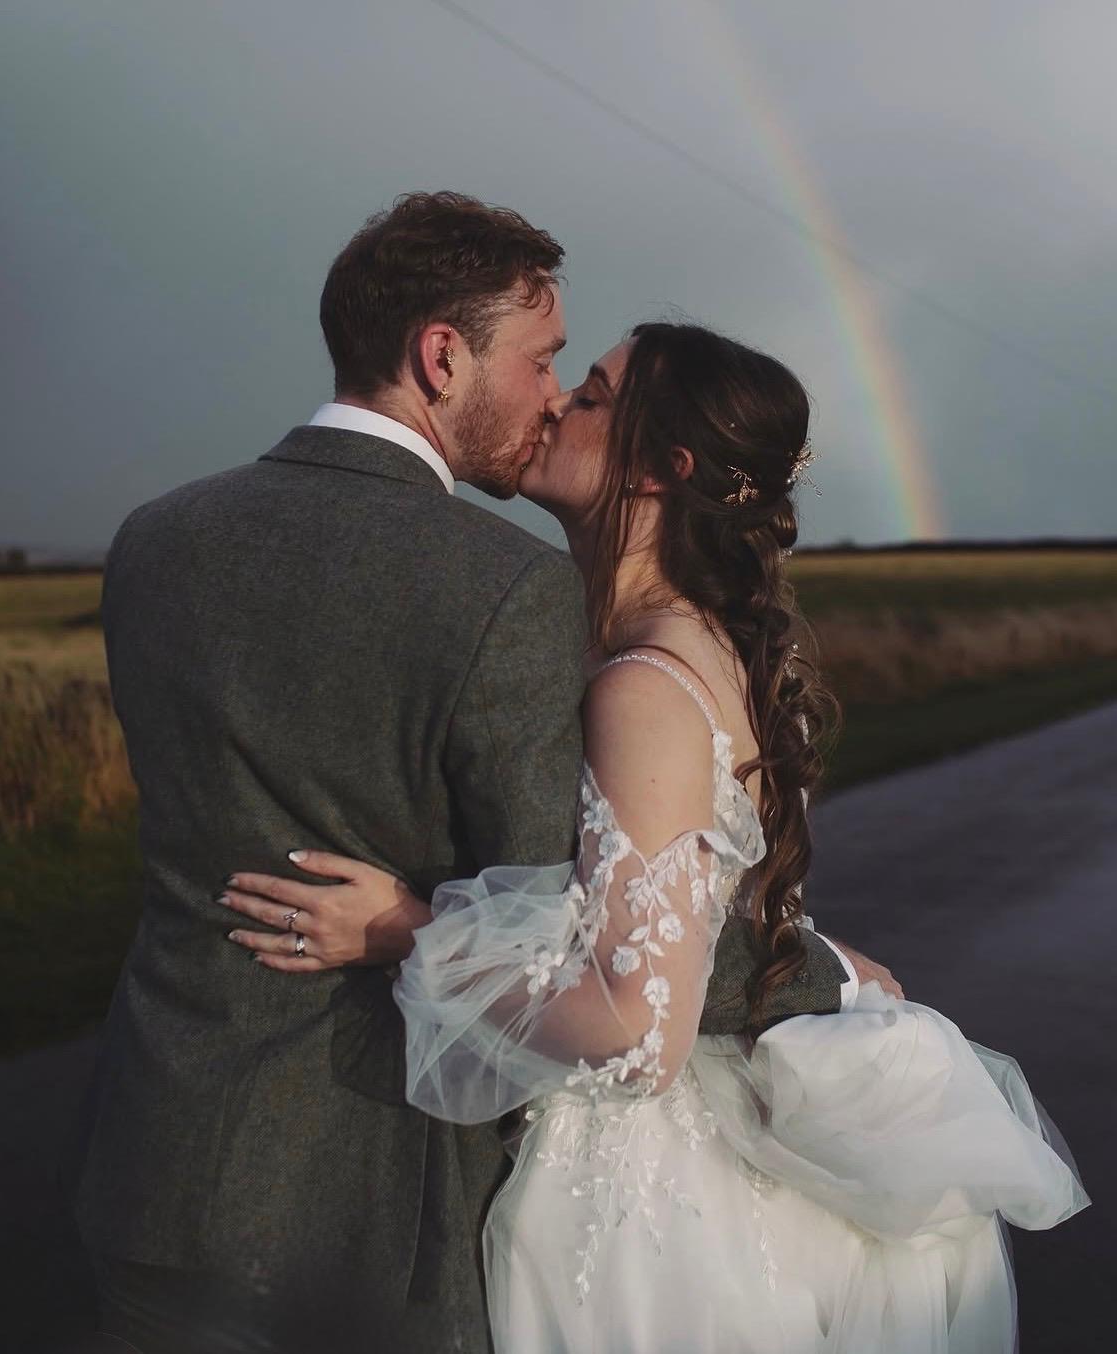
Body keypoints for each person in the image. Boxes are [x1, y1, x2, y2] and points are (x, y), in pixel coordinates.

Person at [73, 195, 867, 1354]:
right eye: (546, 362)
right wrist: (821, 968)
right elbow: (584, 911)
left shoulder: (151, 541)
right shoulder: (503, 589)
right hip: (370, 1213)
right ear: (442, 357)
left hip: (156, 1163)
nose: (551, 396)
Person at [227, 321, 1089, 1352]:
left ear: (657, 468)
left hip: (646, 1216)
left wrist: (401, 929)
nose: (553, 403)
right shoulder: (670, 643)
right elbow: (695, 914)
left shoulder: (644, 685)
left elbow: (637, 1030)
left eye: (588, 394)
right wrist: (811, 955)